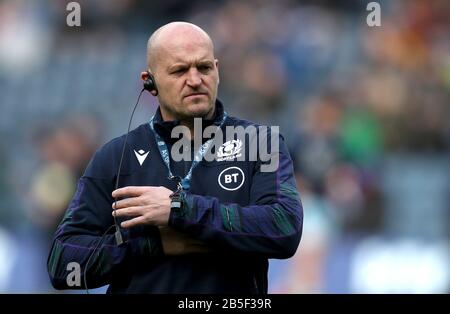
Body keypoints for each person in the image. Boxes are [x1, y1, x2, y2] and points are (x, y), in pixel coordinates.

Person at [47, 22, 303, 293]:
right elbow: (63, 262)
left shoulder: (260, 142)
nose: (194, 80)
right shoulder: (116, 156)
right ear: (150, 82)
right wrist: (151, 244)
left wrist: (180, 210)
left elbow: (284, 227)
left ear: (217, 71)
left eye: (204, 67)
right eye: (179, 70)